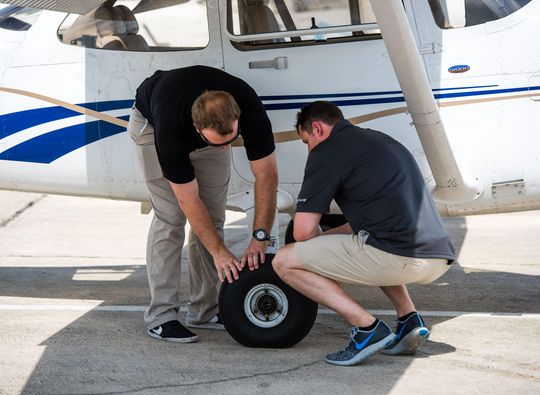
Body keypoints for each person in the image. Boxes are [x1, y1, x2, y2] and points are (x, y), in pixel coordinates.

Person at [272, 101, 455, 366]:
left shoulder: (327, 151)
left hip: (397, 255)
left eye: (305, 141)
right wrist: (326, 241)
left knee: (284, 260)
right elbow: (365, 224)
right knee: (369, 240)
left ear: (317, 128)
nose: (308, 148)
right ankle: (408, 319)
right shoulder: (380, 140)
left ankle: (367, 328)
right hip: (438, 257)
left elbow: (302, 232)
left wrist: (312, 246)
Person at [128, 65, 278, 343]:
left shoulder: (247, 105)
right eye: (219, 142)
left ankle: (205, 310)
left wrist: (260, 237)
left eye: (231, 140)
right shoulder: (171, 129)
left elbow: (267, 176)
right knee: (170, 217)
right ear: (197, 128)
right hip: (151, 125)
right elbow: (188, 199)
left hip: (201, 124)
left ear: (237, 119)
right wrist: (220, 252)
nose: (225, 149)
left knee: (214, 216)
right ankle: (161, 316)